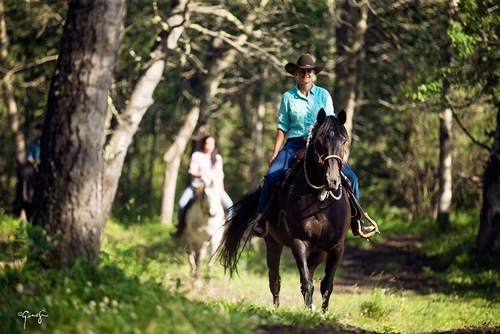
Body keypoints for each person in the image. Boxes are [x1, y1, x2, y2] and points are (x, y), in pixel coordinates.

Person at [251, 54, 375, 238]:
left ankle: (358, 222)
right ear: (296, 73)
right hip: (294, 144)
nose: (306, 74)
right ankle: (261, 220)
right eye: (302, 71)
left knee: (352, 178)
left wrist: (318, 129)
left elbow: (331, 122)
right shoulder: (288, 97)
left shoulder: (324, 94)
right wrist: (276, 152)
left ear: (314, 73)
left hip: (321, 145)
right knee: (271, 176)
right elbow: (282, 126)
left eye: (309, 71)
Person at [171, 135, 233, 238]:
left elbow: (220, 176)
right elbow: (192, 173)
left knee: (229, 204)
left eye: (212, 144)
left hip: (215, 187)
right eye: (207, 143)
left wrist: (221, 190)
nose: (209, 146)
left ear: (215, 145)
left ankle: (228, 229)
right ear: (203, 144)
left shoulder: (217, 158)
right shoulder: (197, 155)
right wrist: (202, 175)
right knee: (182, 203)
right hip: (198, 184)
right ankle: (180, 227)